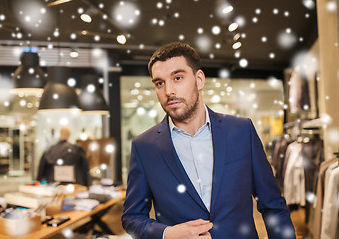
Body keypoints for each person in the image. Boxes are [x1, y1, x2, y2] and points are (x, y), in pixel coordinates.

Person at [121, 42, 295, 239]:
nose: (169, 90)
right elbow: (132, 217)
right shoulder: (144, 146)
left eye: (177, 78)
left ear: (199, 79)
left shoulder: (241, 131)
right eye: (160, 83)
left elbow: (273, 206)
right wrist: (168, 233)